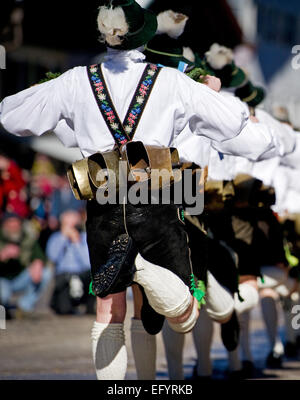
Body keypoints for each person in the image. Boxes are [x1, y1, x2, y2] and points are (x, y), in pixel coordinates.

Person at [0, 0, 250, 380]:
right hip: (157, 198)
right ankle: (142, 268)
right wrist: (211, 92)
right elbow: (234, 121)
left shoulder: (76, 80)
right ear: (143, 38)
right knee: (184, 314)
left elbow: (11, 114)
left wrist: (69, 116)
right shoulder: (170, 81)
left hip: (103, 201)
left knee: (108, 313)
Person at [0, 213, 52, 318]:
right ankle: (4, 309)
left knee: (46, 273)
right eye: (10, 225)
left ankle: (24, 306)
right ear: (4, 226)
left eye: (16, 225)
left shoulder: (27, 237)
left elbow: (39, 255)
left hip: (20, 278)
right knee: (3, 296)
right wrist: (2, 255)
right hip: (3, 280)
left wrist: (38, 263)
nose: (14, 228)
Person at [46, 210, 95, 315]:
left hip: (83, 275)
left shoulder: (85, 237)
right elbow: (53, 257)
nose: (71, 229)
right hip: (64, 277)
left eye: (74, 225)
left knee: (94, 275)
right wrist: (63, 238)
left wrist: (77, 243)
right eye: (68, 225)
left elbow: (88, 262)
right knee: (64, 310)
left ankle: (90, 306)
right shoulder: (55, 238)